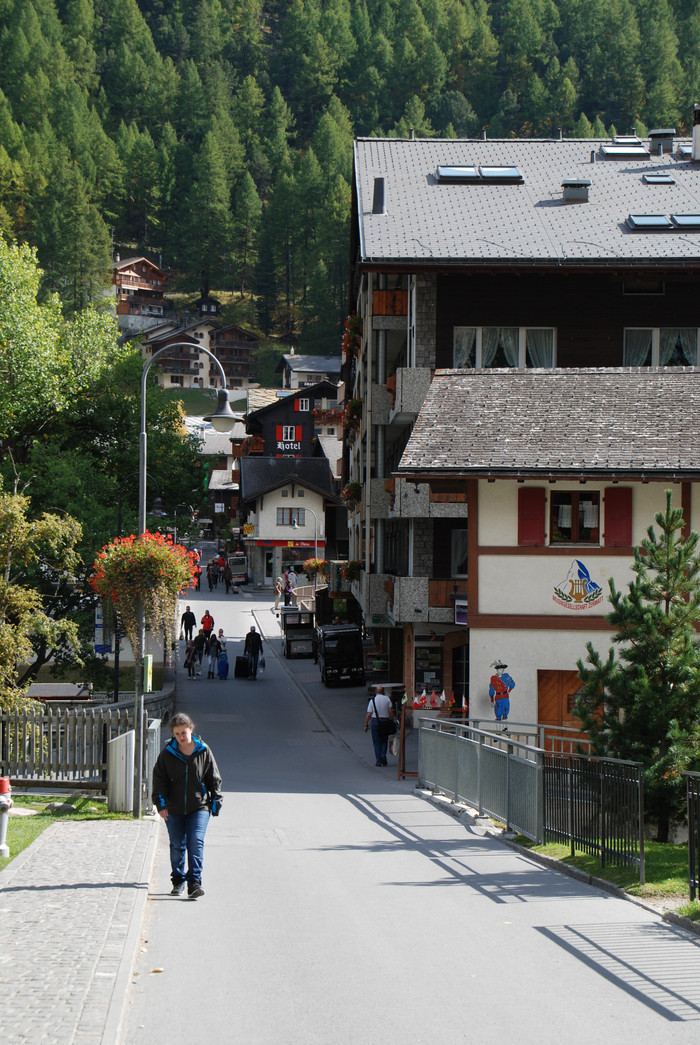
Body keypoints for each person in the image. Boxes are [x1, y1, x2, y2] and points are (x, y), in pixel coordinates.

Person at [152, 712, 223, 899]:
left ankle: (194, 882)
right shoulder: (167, 754)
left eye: (184, 732)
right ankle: (178, 881)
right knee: (177, 845)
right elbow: (159, 780)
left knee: (196, 842)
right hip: (174, 808)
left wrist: (215, 801)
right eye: (177, 734)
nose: (181, 737)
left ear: (191, 729)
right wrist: (161, 804)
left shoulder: (203, 750)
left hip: (199, 806)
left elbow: (213, 777)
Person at [364, 685, 395, 767]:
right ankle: (383, 755)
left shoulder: (372, 700)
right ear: (383, 692)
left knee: (376, 742)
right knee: (384, 740)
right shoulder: (387, 699)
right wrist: (392, 720)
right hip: (385, 722)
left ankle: (378, 761)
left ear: (375, 692)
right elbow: (390, 712)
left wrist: (366, 724)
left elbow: (369, 714)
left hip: (375, 722)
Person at [489, 660, 515, 730]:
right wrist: (492, 700)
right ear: (497, 670)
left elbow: (512, 684)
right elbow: (491, 690)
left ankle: (505, 727)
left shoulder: (506, 677)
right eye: (500, 669)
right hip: (498, 697)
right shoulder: (493, 679)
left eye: (503, 669)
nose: (502, 670)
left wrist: (509, 691)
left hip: (505, 697)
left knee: (505, 712)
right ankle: (498, 731)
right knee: (498, 713)